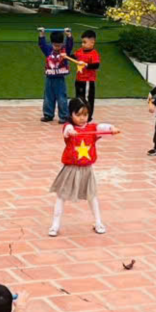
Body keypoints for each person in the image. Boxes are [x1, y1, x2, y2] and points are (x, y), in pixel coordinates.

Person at [49, 98, 120, 236]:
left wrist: (112, 128)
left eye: (85, 114)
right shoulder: (68, 127)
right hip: (70, 169)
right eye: (78, 114)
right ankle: (55, 224)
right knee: (61, 196)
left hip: (87, 169)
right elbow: (67, 130)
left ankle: (98, 222)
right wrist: (71, 131)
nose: (82, 118)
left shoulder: (92, 128)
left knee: (92, 196)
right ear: (71, 114)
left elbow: (102, 127)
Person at [37, 26, 74, 124]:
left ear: (62, 43)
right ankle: (48, 114)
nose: (57, 47)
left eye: (59, 45)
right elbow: (42, 45)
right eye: (55, 45)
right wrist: (42, 34)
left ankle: (64, 116)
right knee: (48, 97)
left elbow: (70, 45)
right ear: (52, 43)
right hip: (49, 78)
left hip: (60, 79)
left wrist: (69, 35)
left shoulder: (65, 51)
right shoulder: (48, 50)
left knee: (61, 98)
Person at [72, 29, 101, 121]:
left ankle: (88, 115)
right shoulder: (80, 51)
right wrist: (66, 56)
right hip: (79, 80)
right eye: (82, 42)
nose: (82, 44)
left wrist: (86, 65)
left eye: (85, 42)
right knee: (79, 98)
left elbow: (96, 65)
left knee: (87, 99)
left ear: (92, 42)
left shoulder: (94, 53)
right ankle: (79, 114)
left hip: (88, 81)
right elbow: (74, 56)